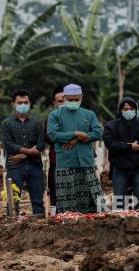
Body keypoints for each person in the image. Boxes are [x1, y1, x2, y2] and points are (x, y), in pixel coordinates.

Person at [47, 84, 104, 214]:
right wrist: (76, 134)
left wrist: (79, 138)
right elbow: (52, 134)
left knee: (93, 198)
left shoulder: (89, 114)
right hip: (65, 162)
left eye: (76, 99)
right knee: (67, 202)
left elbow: (97, 133)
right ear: (64, 97)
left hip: (86, 161)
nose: (73, 102)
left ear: (81, 98)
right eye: (70, 99)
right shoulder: (55, 115)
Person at [104, 97, 139, 209]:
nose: (129, 111)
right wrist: (129, 146)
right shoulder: (111, 126)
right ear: (120, 110)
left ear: (136, 110)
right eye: (125, 108)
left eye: (132, 108)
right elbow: (110, 143)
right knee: (119, 200)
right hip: (119, 167)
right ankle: (120, 223)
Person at [0, 89, 45, 216]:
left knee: (37, 200)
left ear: (30, 103)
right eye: (20, 102)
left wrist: (23, 155)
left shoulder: (37, 124)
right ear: (13, 104)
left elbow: (40, 145)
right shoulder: (6, 123)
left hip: (34, 165)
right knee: (13, 200)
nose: (23, 105)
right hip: (14, 166)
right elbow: (9, 145)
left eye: (26, 102)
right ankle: (12, 223)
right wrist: (30, 151)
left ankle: (39, 222)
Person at [44, 85, 65, 208]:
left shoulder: (79, 116)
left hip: (76, 162)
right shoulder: (51, 118)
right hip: (57, 160)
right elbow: (47, 136)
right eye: (60, 101)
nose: (63, 103)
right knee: (56, 194)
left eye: (65, 100)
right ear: (54, 103)